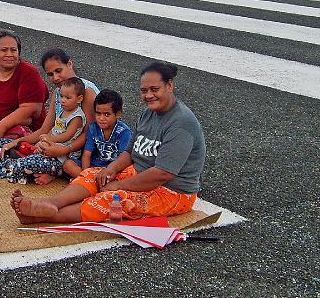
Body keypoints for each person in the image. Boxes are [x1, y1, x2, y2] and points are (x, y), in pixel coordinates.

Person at [11, 61, 205, 224]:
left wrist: (122, 185)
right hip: (139, 173)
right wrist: (111, 169)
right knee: (92, 175)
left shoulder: (181, 123)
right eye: (144, 90)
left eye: (155, 89)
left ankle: (42, 217)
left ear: (169, 86)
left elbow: (162, 173)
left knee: (112, 199)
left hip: (172, 191)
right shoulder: (149, 113)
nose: (148, 95)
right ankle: (51, 203)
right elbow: (130, 152)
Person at [0, 77, 86, 184]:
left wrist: (50, 139)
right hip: (45, 149)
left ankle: (6, 167)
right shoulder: (62, 110)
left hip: (60, 158)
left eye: (68, 98)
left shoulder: (77, 117)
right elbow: (54, 130)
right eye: (61, 96)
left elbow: (68, 135)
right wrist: (43, 141)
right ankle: (6, 164)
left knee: (27, 163)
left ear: (79, 99)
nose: (63, 100)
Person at [29, 48, 100, 184]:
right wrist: (20, 141)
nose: (55, 78)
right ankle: (56, 171)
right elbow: (45, 129)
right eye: (50, 74)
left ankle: (58, 171)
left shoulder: (86, 91)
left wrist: (61, 150)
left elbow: (90, 133)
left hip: (85, 151)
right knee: (30, 152)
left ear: (69, 64)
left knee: (32, 165)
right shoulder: (58, 93)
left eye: (58, 71)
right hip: (63, 146)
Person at [70, 89, 132, 179]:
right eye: (98, 113)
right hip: (93, 166)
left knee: (129, 173)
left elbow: (124, 158)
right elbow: (87, 154)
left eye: (107, 114)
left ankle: (90, 182)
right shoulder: (93, 127)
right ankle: (90, 180)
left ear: (118, 114)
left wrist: (111, 171)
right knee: (68, 164)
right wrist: (86, 172)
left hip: (112, 170)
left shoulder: (124, 132)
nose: (101, 118)